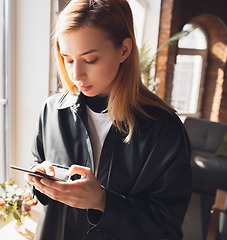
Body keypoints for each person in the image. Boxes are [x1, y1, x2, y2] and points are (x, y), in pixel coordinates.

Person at [25, 0, 192, 239]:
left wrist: (103, 202)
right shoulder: (51, 110)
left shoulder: (164, 129)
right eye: (68, 59)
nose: (76, 75)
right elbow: (37, 162)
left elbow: (167, 228)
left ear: (124, 50)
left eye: (90, 59)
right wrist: (38, 177)